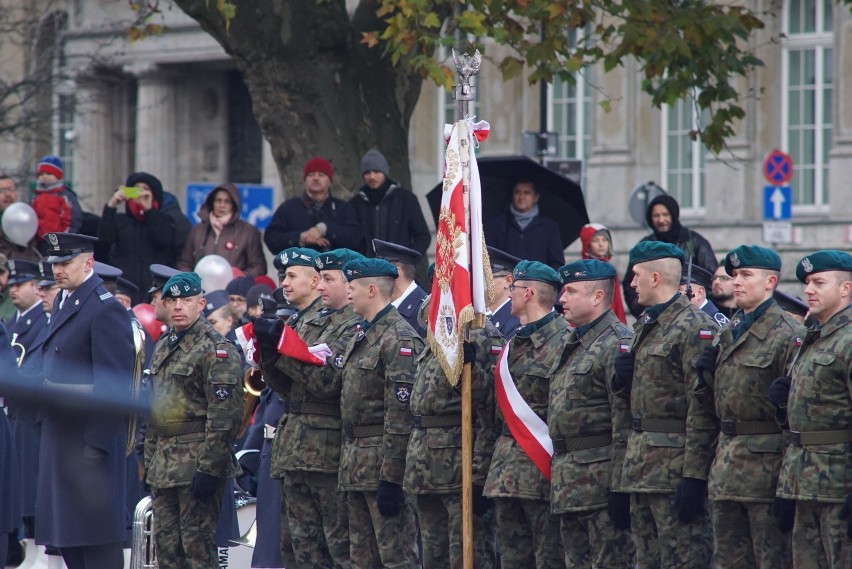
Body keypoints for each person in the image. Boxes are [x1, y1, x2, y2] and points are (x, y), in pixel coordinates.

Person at [693, 245, 804, 569]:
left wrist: (788, 486)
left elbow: (793, 418)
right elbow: (711, 409)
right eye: (734, 275)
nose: (736, 281)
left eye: (745, 275)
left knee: (771, 561)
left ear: (770, 282)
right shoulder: (727, 332)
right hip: (726, 472)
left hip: (766, 476)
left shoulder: (788, 334)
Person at [255, 248, 363, 567]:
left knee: (335, 546)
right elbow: (286, 386)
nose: (322, 286)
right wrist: (268, 352)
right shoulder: (310, 320)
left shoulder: (353, 326)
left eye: (329, 279)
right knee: (298, 548)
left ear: (350, 284)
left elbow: (327, 383)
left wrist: (284, 353)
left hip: (327, 449)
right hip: (296, 446)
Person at [611, 241, 717, 568]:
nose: (631, 283)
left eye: (636, 275)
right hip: (641, 468)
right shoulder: (645, 324)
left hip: (674, 469)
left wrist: (695, 476)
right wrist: (621, 381)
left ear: (655, 278)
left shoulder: (694, 327)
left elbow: (702, 407)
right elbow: (634, 407)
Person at [37, 232, 134, 569]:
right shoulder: (68, 301)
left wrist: (97, 445)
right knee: (70, 545)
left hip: (89, 445)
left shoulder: (104, 308)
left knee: (96, 547)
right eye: (54, 264)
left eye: (66, 262)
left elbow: (113, 384)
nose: (58, 270)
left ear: (88, 262)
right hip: (62, 437)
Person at [144, 271, 244, 568]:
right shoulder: (163, 345)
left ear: (201, 304)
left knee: (196, 548)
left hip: (196, 461)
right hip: (164, 463)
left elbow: (224, 416)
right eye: (172, 300)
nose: (178, 306)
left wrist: (210, 469)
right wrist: (149, 458)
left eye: (186, 300)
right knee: (167, 549)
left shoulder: (216, 349)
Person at [404, 294, 503, 568]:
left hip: (460, 467)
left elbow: (490, 409)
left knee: (467, 554)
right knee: (434, 556)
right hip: (426, 469)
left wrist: (480, 473)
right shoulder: (436, 339)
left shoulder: (480, 336)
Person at [337, 257, 423, 567]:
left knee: (395, 557)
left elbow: (401, 416)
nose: (348, 292)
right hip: (356, 465)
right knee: (361, 560)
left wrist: (393, 478)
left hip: (381, 468)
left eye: (353, 286)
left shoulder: (398, 338)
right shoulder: (362, 334)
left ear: (372, 289)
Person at [550, 259, 635, 568]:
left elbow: (623, 420)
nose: (561, 300)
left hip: (599, 485)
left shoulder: (616, 342)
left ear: (597, 297)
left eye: (571, 291)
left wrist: (619, 488)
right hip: (569, 483)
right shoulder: (574, 340)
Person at [483, 260, 568, 568]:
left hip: (543, 474)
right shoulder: (513, 341)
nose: (508, 292)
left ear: (529, 293)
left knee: (548, 559)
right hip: (506, 475)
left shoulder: (564, 343)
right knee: (511, 560)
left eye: (513, 288)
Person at [770, 250, 852, 568]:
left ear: (845, 288)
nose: (808, 290)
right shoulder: (811, 337)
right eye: (807, 283)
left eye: (819, 282)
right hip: (803, 483)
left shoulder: (847, 340)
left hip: (839, 486)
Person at [255, 247, 326, 566]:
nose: (283, 282)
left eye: (292, 276)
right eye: (283, 276)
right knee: (285, 546)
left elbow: (318, 382)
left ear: (315, 281)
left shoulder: (326, 323)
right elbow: (280, 385)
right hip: (290, 443)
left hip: (317, 448)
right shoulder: (297, 321)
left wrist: (278, 350)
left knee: (312, 547)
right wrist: (267, 352)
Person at [98, 172, 192, 305]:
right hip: (125, 290)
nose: (141, 194)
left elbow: (163, 240)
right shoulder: (120, 220)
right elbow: (104, 239)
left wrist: (149, 210)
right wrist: (112, 205)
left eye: (146, 190)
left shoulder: (165, 220)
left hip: (154, 291)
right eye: (136, 189)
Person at [4, 259, 48, 544]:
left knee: (31, 498)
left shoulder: (44, 322)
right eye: (11, 285)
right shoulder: (11, 325)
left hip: (31, 419)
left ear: (36, 287)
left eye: (19, 285)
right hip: (11, 418)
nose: (12, 291)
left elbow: (32, 371)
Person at [622, 194, 718, 318]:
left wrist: (697, 307)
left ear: (673, 215)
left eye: (665, 214)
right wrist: (644, 311)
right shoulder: (644, 246)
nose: (661, 220)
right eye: (656, 216)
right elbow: (629, 283)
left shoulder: (694, 241)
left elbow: (712, 279)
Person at [263, 157, 362, 255]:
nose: (316, 178)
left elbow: (355, 238)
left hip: (335, 268)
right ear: (305, 180)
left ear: (330, 181)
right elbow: (271, 239)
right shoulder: (289, 208)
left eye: (321, 175)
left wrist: (325, 229)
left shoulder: (343, 208)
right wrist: (302, 237)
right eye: (311, 175)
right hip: (297, 267)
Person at [351, 149, 431, 259]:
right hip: (365, 268)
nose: (372, 176)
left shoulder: (406, 199)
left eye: (376, 171)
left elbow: (423, 236)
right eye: (367, 172)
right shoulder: (356, 202)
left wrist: (407, 260)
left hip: (398, 269)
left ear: (385, 172)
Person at [177, 183, 267, 276]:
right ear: (212, 203)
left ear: (234, 204)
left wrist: (238, 278)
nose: (222, 205)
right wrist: (191, 280)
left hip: (233, 289)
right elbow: (184, 263)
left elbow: (258, 267)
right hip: (199, 288)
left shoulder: (248, 232)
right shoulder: (198, 230)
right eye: (218, 200)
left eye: (227, 201)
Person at [485, 180, 564, 269]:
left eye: (527, 193)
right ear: (512, 195)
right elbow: (489, 257)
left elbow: (557, 263)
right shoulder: (498, 224)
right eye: (517, 192)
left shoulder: (550, 227)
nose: (521, 197)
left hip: (538, 280)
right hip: (505, 279)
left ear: (536, 197)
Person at [373, 238, 427, 337]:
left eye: (379, 272)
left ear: (396, 273)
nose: (374, 278)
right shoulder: (382, 306)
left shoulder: (424, 311)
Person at [578, 223, 627, 323]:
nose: (601, 244)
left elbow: (617, 300)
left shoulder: (610, 269)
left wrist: (621, 322)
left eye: (605, 240)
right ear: (587, 244)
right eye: (595, 240)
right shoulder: (581, 269)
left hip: (610, 319)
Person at [31, 155, 83, 242]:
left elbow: (73, 219)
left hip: (61, 241)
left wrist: (65, 237)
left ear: (58, 175)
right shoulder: (36, 197)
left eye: (49, 174)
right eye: (41, 174)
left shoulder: (64, 195)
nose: (44, 176)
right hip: (41, 241)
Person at [0, 173, 40, 260]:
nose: (7, 194)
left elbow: (33, 250)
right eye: (1, 191)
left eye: (11, 189)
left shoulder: (25, 218)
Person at [486, 246, 522, 339]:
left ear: (508, 281)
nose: (480, 283)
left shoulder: (517, 321)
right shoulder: (481, 316)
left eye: (487, 278)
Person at [679, 263, 729, 327]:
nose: (676, 295)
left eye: (680, 290)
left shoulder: (713, 324)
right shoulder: (689, 317)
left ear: (699, 293)